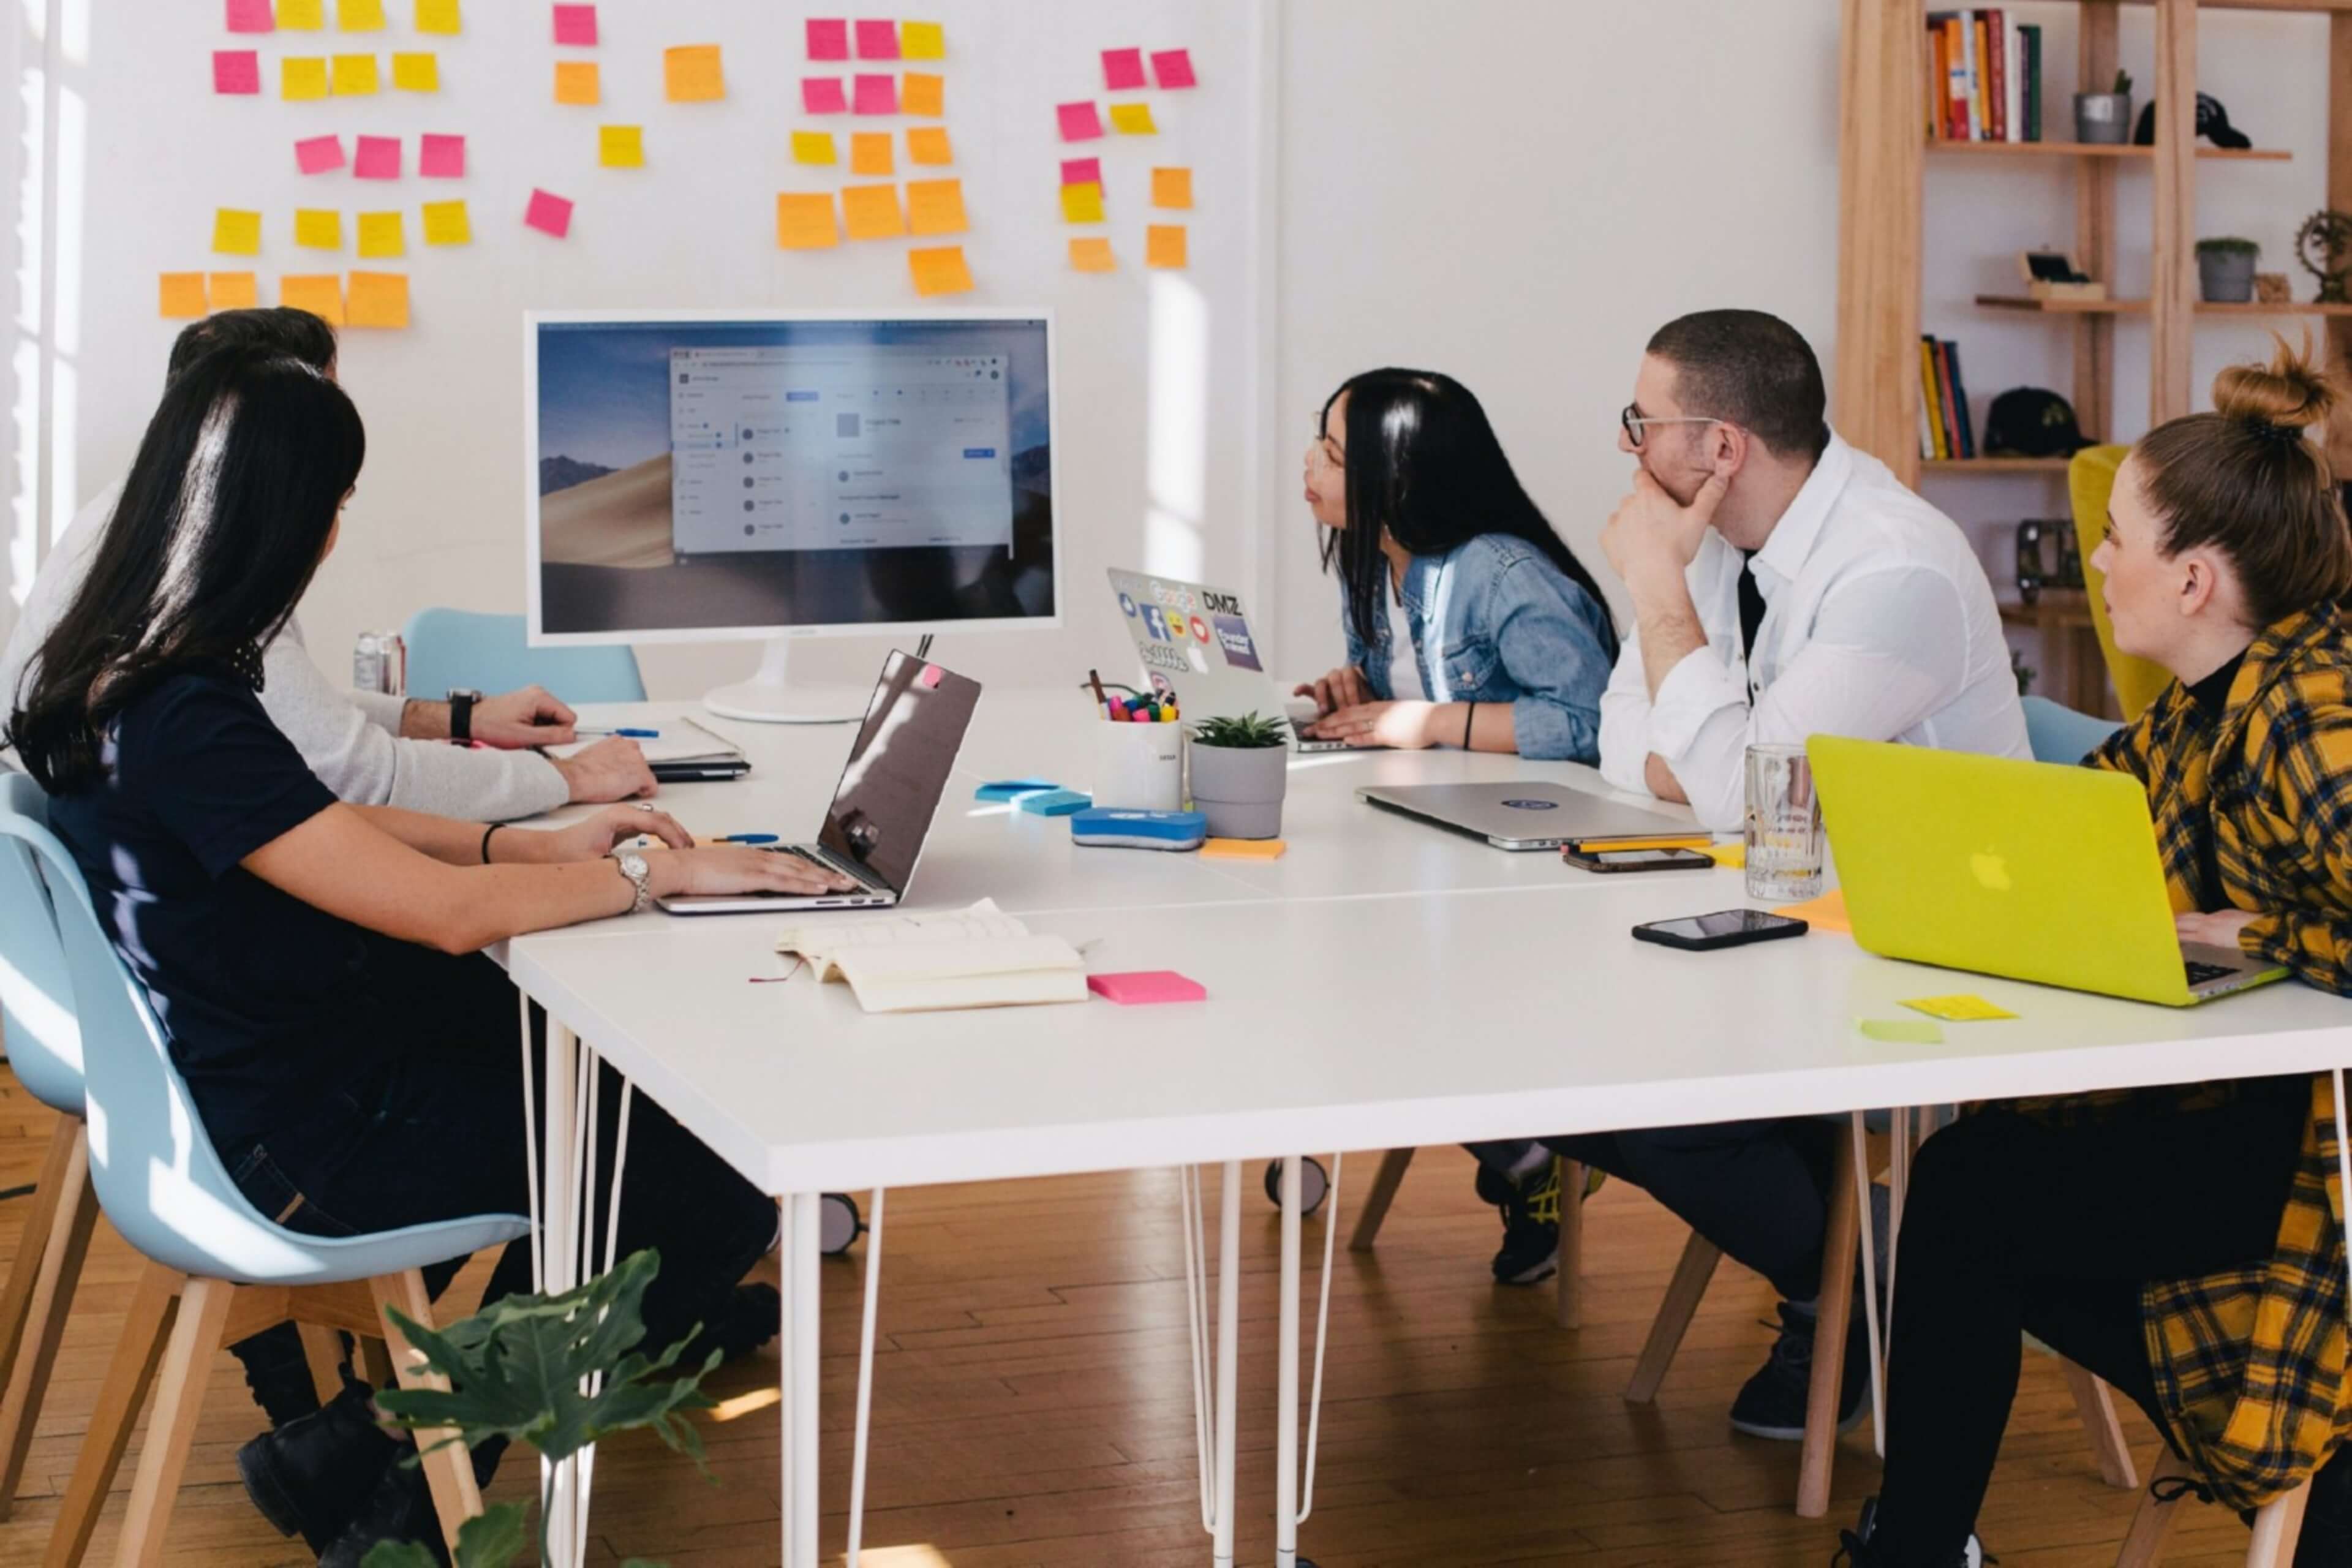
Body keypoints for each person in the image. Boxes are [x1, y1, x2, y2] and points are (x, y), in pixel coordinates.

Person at [9, 347, 857, 1563]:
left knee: (629, 1117)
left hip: (273, 1065)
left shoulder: (127, 671)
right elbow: (438, 913)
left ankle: (355, 1447)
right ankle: (408, 1502)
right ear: (282, 515)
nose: (339, 532)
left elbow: (323, 828)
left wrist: (526, 838)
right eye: (333, 505)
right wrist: (645, 873)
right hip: (298, 1134)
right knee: (699, 1178)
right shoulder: (186, 707)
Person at [1470, 312, 2030, 1444]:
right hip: (1782, 910)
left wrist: (1663, 607)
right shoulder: (1722, 543)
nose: (1631, 451)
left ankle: (1861, 1293)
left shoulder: (1895, 569)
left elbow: (1731, 785)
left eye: (1645, 424)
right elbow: (1624, 740)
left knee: (1662, 1104)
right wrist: (1718, 747)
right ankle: (1844, 1262)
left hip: (1913, 939)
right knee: (1550, 1071)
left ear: (1719, 447)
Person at [1838, 341, 2352, 1567]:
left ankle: (1918, 1545)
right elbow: (2073, 823)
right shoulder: (2199, 704)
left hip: (2300, 1165)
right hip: (2230, 1113)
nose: (2095, 554)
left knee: (1971, 1192)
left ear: (2192, 576)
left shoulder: (2315, 708)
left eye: (2117, 534)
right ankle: (1924, 1539)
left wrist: (2266, 933)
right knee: (1977, 1195)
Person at [0, 307, 657, 816]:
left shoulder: (130, 523)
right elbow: (360, 776)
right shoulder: (201, 567)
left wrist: (459, 720)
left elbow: (278, 712)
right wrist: (566, 778)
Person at [1291, 369, 1619, 760]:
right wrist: (1364, 697)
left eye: (1332, 455)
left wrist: (1430, 723)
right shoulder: (1369, 559)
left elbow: (1589, 722)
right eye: (1319, 441)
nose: (1311, 461)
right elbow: (1412, 695)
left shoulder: (1502, 574)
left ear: (1397, 480)